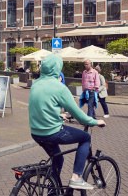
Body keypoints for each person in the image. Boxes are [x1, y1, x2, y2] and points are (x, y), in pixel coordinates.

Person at [29, 54, 105, 190]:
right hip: (52, 132)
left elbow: (41, 107)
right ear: (57, 68)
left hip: (36, 132)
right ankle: (76, 177)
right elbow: (79, 116)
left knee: (58, 159)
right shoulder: (59, 88)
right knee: (85, 138)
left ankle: (54, 190)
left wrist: (58, 115)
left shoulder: (36, 84)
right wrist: (94, 121)